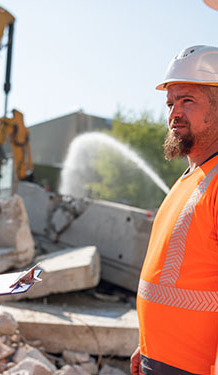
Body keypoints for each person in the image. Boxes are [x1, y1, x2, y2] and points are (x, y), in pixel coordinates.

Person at [131, 45, 218, 375]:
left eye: (188, 101)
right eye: (170, 103)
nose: (173, 114)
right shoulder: (189, 178)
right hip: (162, 360)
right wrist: (146, 343)